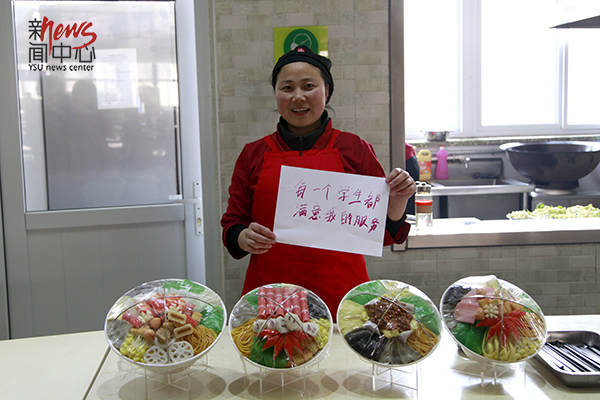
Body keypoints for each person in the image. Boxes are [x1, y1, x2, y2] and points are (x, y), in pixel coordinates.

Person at [221, 46, 416, 314]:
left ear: (326, 91)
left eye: (308, 86)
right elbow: (232, 224)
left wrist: (397, 201)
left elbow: (380, 233)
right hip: (272, 292)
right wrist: (243, 237)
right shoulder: (253, 154)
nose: (298, 97)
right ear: (276, 94)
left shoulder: (354, 149)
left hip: (340, 293)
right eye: (287, 88)